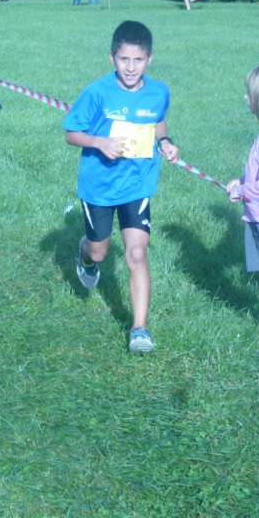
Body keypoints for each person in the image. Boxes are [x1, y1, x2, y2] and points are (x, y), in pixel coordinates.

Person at [62, 20, 179, 353]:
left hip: (137, 184)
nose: (131, 67)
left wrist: (165, 141)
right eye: (124, 59)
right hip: (98, 186)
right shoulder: (96, 93)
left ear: (150, 59)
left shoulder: (158, 92)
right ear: (111, 56)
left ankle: (139, 329)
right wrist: (99, 142)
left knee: (137, 253)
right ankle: (86, 255)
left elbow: (157, 121)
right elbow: (70, 133)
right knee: (100, 251)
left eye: (138, 60)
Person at [226, 65, 259, 350]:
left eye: (249, 93)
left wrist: (242, 191)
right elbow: (258, 173)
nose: (245, 98)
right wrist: (240, 181)